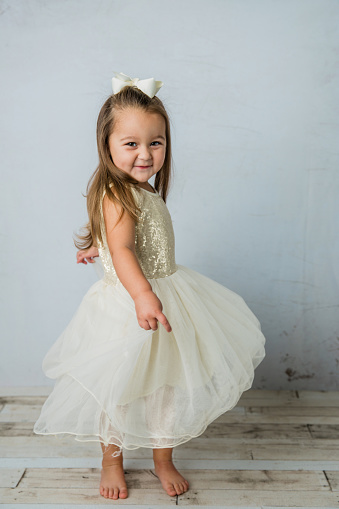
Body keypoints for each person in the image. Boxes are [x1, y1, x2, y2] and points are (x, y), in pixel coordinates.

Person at [33, 72, 266, 501]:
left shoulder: (139, 191)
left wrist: (95, 245)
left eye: (155, 143)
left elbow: (118, 238)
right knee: (119, 386)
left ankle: (163, 457)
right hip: (132, 305)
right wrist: (140, 292)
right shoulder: (116, 192)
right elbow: (122, 250)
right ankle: (111, 459)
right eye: (131, 144)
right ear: (107, 146)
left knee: (166, 383)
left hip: (167, 295)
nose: (145, 154)